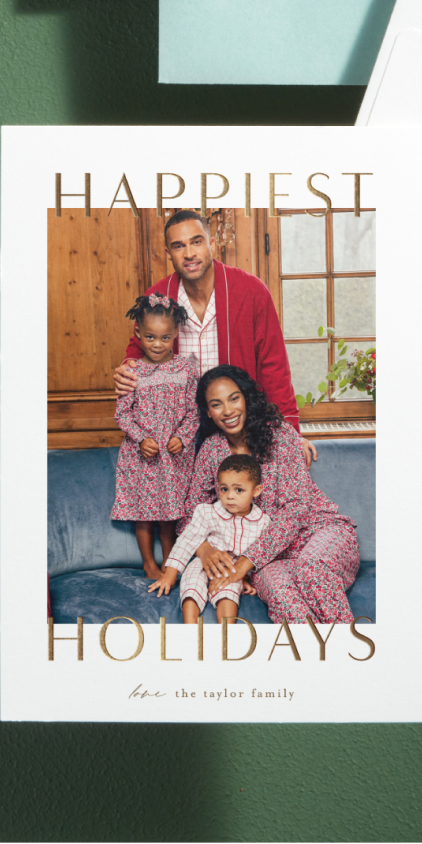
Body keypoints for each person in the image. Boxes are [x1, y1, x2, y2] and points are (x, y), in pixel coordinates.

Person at [112, 208, 311, 464]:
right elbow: (137, 352)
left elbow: (274, 367)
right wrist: (127, 370)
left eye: (197, 241)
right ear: (168, 254)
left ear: (212, 244)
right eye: (178, 246)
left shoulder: (251, 291)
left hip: (239, 424)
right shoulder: (157, 298)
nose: (189, 253)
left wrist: (290, 434)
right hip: (179, 434)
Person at [183, 366, 361, 624]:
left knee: (312, 571)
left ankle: (349, 655)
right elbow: (189, 512)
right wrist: (204, 549)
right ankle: (318, 662)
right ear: (208, 412)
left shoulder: (279, 434)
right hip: (268, 562)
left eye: (234, 398)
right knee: (283, 598)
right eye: (217, 404)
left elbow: (296, 509)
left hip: (318, 531)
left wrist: (245, 563)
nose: (229, 411)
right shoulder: (211, 451)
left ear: (246, 397)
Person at [109, 295, 201, 579]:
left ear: (175, 334)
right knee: (145, 513)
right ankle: (149, 564)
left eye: (164, 337)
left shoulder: (187, 369)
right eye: (150, 337)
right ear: (138, 333)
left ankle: (173, 563)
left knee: (169, 516)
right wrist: (140, 439)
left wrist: (183, 438)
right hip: (143, 458)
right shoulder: (132, 371)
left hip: (173, 459)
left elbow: (194, 413)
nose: (157, 344)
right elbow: (122, 415)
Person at [147, 453, 270, 624]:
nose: (230, 496)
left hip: (232, 568)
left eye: (239, 490)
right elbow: (187, 540)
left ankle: (225, 636)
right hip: (203, 563)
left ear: (256, 491)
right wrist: (170, 573)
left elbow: (259, 555)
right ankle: (191, 629)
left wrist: (246, 578)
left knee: (228, 593)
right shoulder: (207, 512)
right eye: (224, 489)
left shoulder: (263, 522)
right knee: (191, 584)